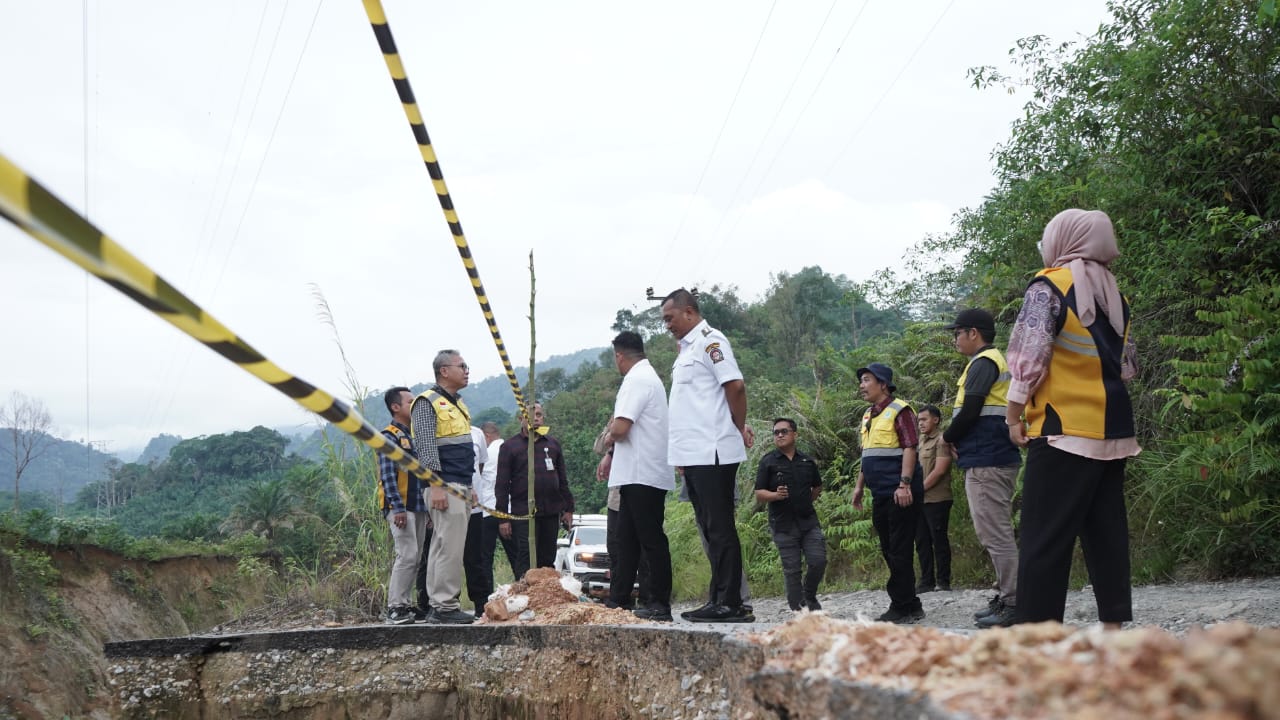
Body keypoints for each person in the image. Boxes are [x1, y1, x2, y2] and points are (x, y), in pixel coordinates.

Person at [1006, 209, 1140, 630]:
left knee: (1044, 538)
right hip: (1113, 429)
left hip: (1062, 429)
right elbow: (1127, 368)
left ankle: (1038, 635)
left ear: (1062, 240)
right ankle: (1114, 629)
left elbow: (1029, 357)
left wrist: (1014, 414)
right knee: (1107, 534)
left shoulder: (1048, 286)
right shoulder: (1116, 295)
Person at [662, 288, 755, 623]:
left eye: (670, 318)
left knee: (720, 528)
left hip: (712, 451)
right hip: (694, 454)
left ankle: (731, 603)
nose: (667, 325)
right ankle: (719, 597)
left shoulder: (710, 341)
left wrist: (737, 426)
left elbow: (736, 386)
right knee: (709, 528)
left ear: (689, 311)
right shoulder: (687, 349)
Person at [941, 307, 1024, 628]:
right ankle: (1008, 596)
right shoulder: (988, 362)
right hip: (988, 456)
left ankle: (1016, 601)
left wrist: (947, 437)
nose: (955, 340)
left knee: (995, 532)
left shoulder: (984, 363)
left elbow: (972, 408)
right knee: (992, 530)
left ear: (973, 333)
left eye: (957, 333)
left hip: (989, 457)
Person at [595, 331, 675, 621]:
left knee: (650, 539)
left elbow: (620, 428)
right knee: (625, 539)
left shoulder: (637, 379)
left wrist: (607, 441)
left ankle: (659, 601)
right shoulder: (647, 376)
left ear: (619, 356)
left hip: (644, 473)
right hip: (635, 473)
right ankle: (618, 599)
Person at [851, 362, 926, 624]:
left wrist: (904, 484)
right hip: (881, 493)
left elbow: (909, 448)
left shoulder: (900, 410)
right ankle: (911, 603)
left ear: (883, 383)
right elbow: (867, 454)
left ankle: (903, 605)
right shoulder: (868, 416)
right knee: (888, 548)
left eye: (867, 380)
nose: (862, 385)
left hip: (900, 491)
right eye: (861, 380)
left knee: (899, 549)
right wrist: (860, 486)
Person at [410, 349, 477, 625]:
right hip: (443, 485)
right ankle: (445, 605)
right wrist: (434, 486)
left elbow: (462, 448)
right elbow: (425, 449)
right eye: (462, 365)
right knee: (448, 546)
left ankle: (438, 604)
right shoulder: (427, 402)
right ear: (444, 371)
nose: (467, 370)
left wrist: (470, 484)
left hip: (458, 483)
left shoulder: (458, 403)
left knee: (443, 545)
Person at [754, 418, 826, 613]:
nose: (779, 435)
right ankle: (798, 609)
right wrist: (776, 495)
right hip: (783, 523)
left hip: (808, 520)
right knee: (792, 569)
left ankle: (809, 594)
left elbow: (817, 487)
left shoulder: (807, 461)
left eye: (784, 431)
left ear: (795, 434)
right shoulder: (768, 461)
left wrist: (805, 501)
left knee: (818, 560)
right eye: (776, 432)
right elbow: (759, 493)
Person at [495, 403, 575, 569]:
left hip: (551, 511)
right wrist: (503, 518)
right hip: (524, 513)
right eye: (530, 415)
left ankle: (544, 593)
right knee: (526, 556)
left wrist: (568, 509)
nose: (535, 418)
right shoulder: (510, 447)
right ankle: (524, 593)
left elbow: (562, 479)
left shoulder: (552, 444)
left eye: (538, 414)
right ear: (521, 419)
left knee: (547, 557)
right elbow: (502, 485)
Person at [378, 386, 428, 624]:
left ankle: (406, 605)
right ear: (395, 407)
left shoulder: (412, 436)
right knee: (406, 555)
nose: (414, 406)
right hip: (401, 507)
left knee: (416, 557)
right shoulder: (389, 436)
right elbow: (388, 475)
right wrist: (396, 507)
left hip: (417, 505)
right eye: (410, 402)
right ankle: (395, 607)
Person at [478, 421, 525, 583]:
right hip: (509, 509)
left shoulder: (485, 454)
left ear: (487, 436)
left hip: (487, 509)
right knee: (517, 556)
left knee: (485, 558)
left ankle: (486, 598)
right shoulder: (512, 449)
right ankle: (524, 591)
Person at [914, 405, 953, 594]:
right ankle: (926, 581)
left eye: (924, 419)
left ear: (935, 420)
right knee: (921, 541)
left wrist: (918, 490)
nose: (920, 423)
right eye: (919, 420)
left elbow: (940, 470)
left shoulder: (942, 440)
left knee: (939, 540)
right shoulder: (919, 441)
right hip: (920, 499)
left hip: (938, 498)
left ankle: (943, 581)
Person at [462, 424, 490, 617]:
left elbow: (479, 466)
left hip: (476, 505)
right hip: (450, 503)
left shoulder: (476, 433)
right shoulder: (441, 430)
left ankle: (481, 604)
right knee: (448, 555)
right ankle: (447, 603)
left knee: (476, 557)